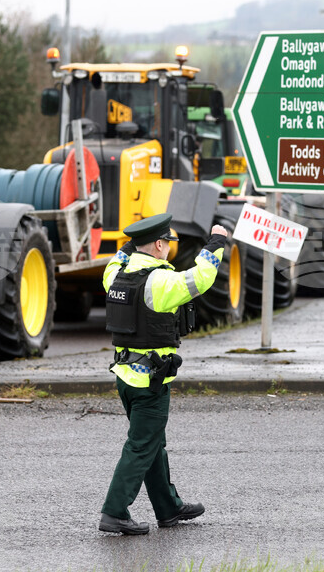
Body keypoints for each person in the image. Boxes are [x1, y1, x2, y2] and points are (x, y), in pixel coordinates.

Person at [98, 213, 228, 535]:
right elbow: (202, 277)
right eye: (167, 242)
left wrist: (131, 243)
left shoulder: (116, 275)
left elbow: (118, 258)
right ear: (158, 245)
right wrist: (217, 241)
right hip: (150, 383)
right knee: (141, 445)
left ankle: (168, 507)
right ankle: (114, 512)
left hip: (125, 377)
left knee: (153, 442)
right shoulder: (161, 282)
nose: (169, 248)